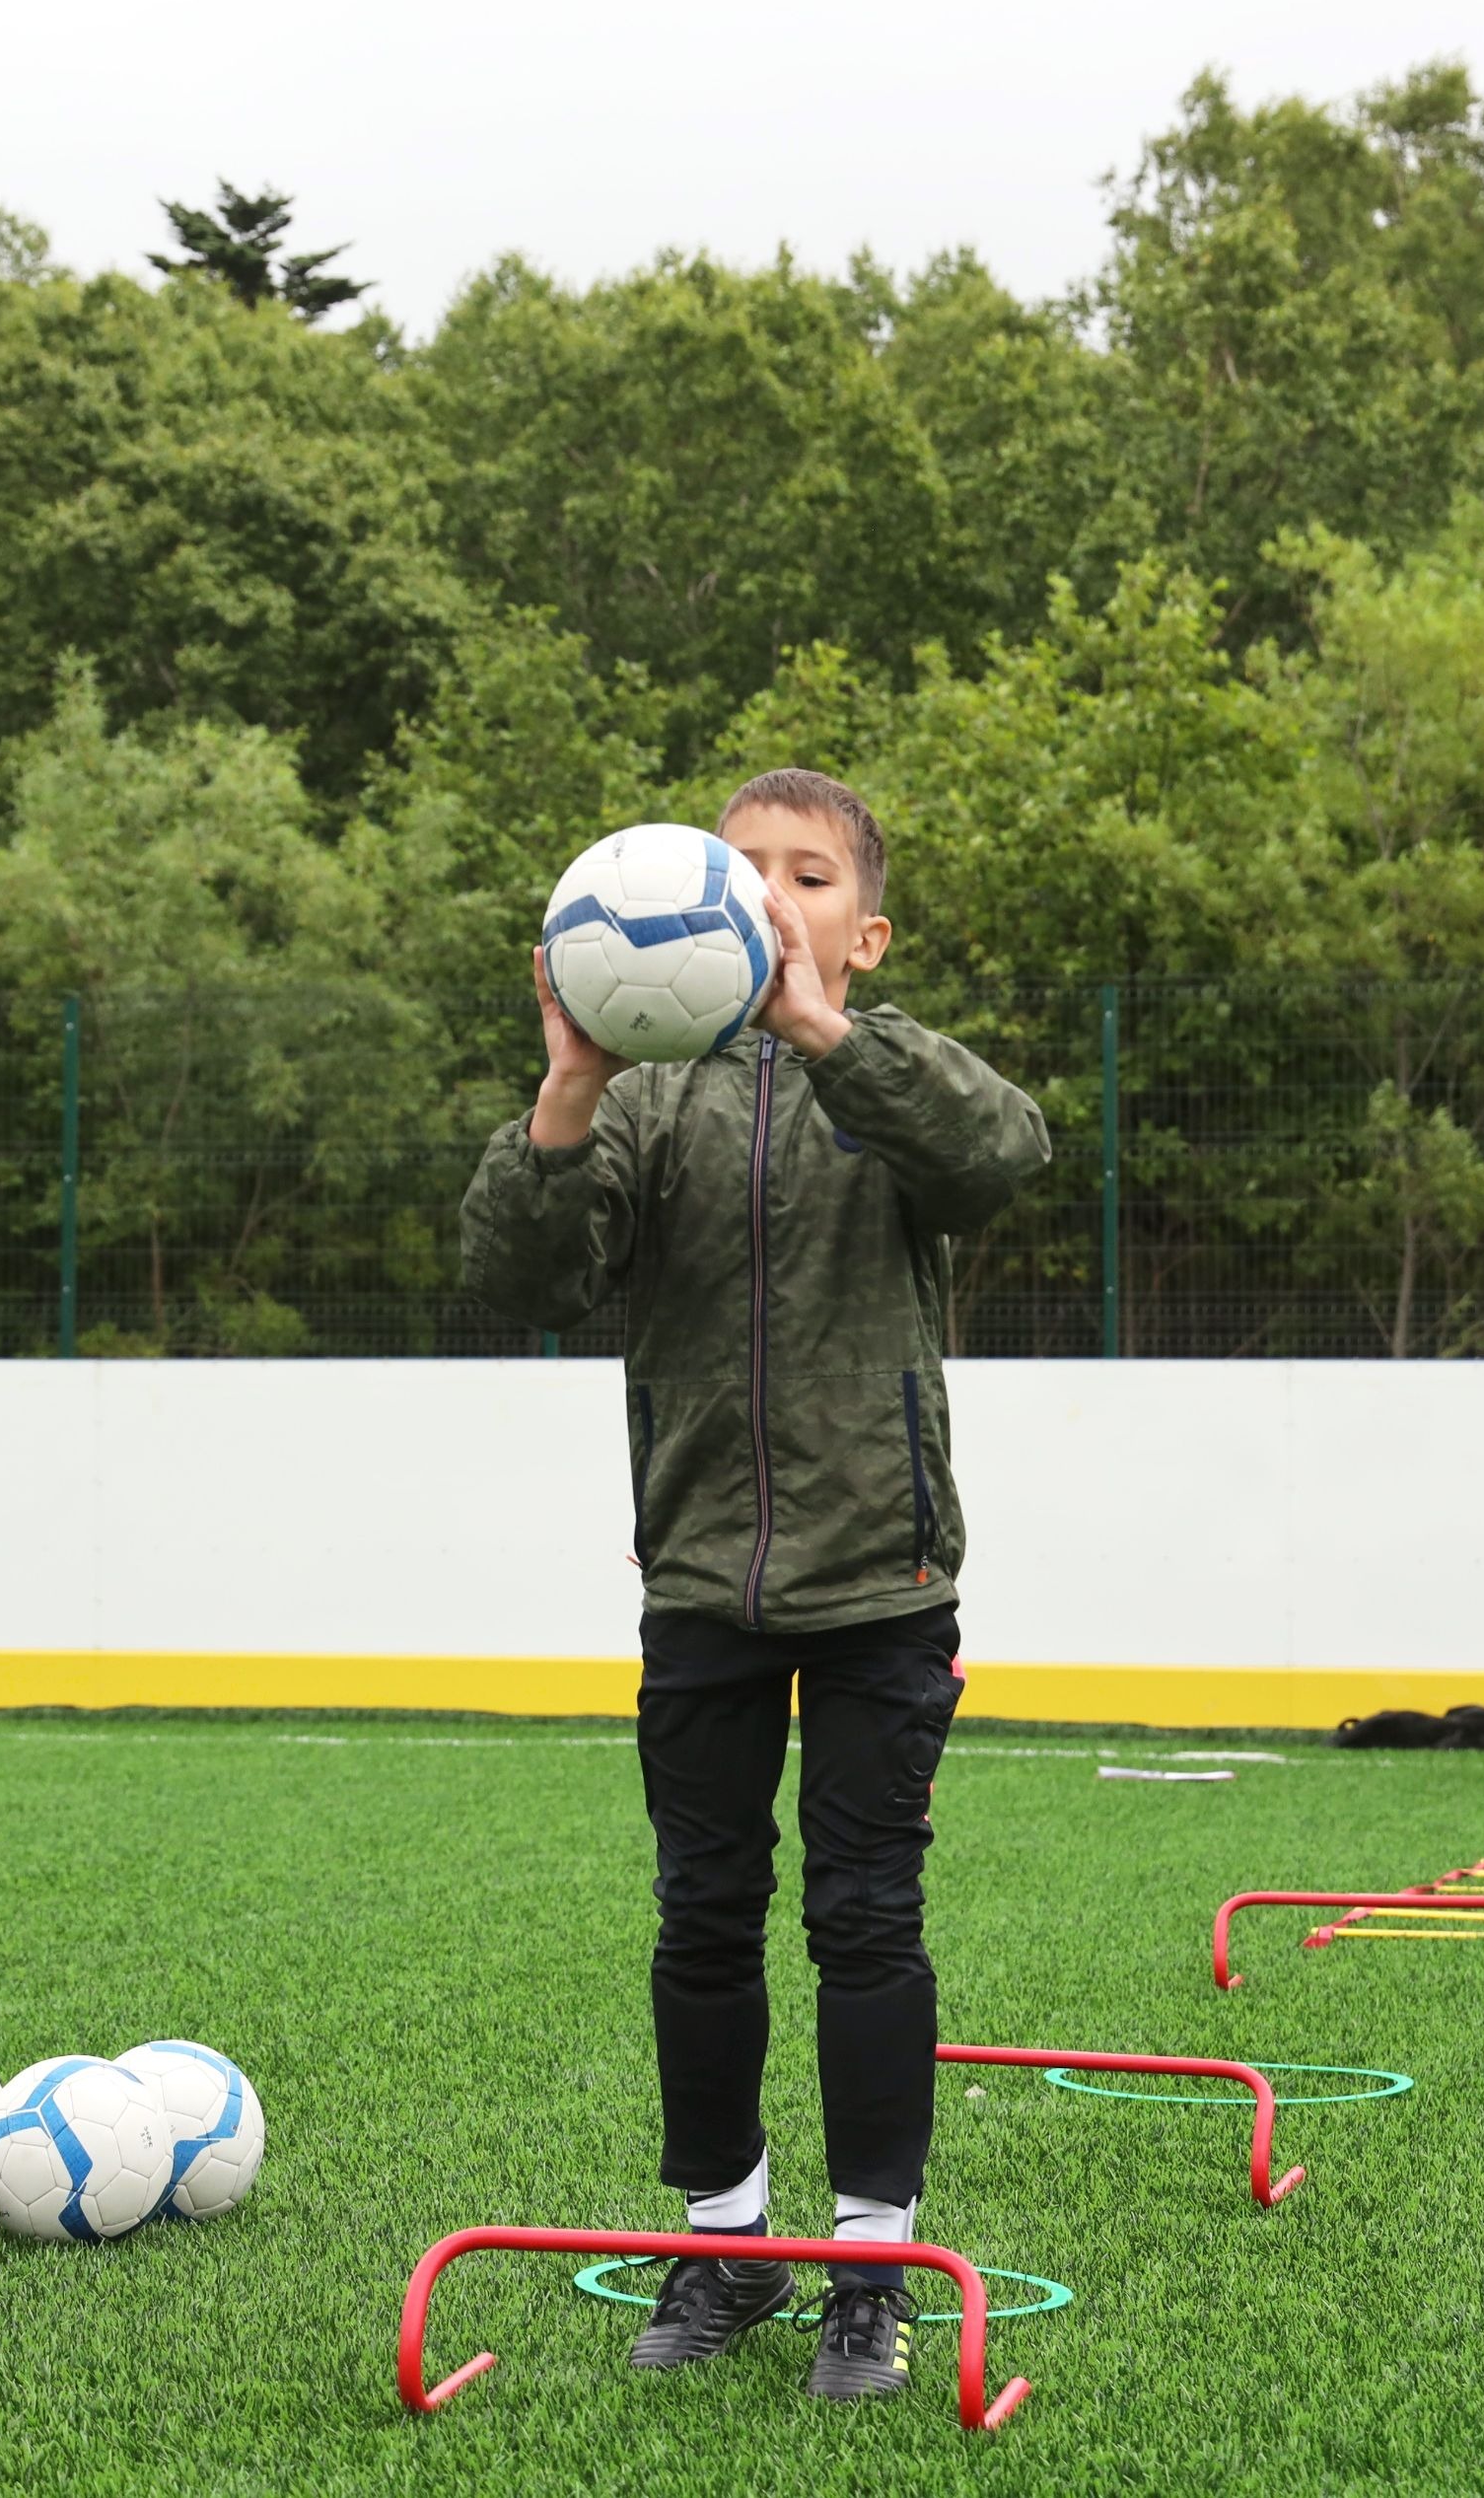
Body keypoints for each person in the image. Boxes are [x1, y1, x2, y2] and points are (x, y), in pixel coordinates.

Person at [459, 767, 1048, 2404]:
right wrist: (570, 1088)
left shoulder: (894, 1079)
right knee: (701, 1917)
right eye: (737, 869)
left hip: (885, 1586)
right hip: (701, 1581)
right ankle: (726, 2234)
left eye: (806, 874)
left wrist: (825, 1039)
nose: (766, 893)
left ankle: (872, 2258)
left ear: (861, 931)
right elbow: (509, 1278)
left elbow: (1003, 1155)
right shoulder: (648, 1101)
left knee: (866, 1915)